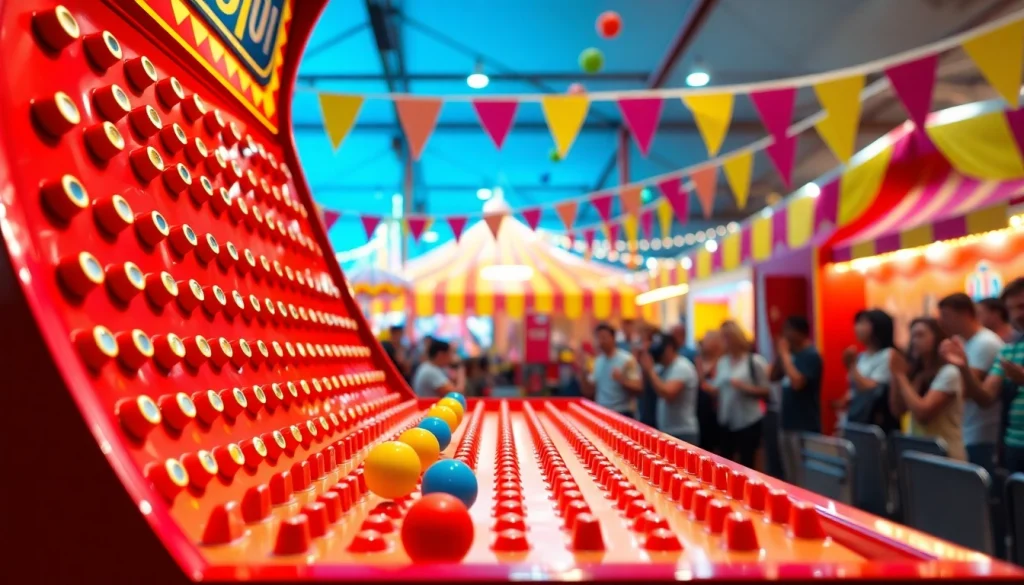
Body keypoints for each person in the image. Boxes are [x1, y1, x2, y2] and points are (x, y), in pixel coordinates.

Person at [942, 278, 1024, 471]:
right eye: (1011, 309)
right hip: (1013, 447)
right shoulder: (1009, 350)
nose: (1017, 315)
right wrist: (963, 368)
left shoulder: (990, 343)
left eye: (1022, 306)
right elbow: (985, 397)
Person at [937, 293, 1004, 471]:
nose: (941, 322)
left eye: (946, 315)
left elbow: (964, 391)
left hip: (982, 434)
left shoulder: (986, 342)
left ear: (965, 313)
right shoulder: (962, 342)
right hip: (967, 430)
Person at [889, 318, 966, 461]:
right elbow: (897, 410)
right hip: (921, 452)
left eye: (920, 335)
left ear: (937, 338)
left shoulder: (949, 372)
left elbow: (923, 414)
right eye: (912, 336)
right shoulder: (918, 374)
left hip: (946, 455)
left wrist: (900, 376)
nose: (914, 341)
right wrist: (895, 374)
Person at [706, 321, 770, 468]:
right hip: (726, 420)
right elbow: (717, 387)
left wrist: (743, 387)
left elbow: (767, 390)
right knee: (725, 463)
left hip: (748, 420)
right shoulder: (723, 362)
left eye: (726, 338)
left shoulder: (754, 361)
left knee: (747, 462)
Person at [771, 316, 823, 482]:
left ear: (800, 332)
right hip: (786, 423)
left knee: (804, 477)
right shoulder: (790, 355)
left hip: (804, 424)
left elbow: (797, 383)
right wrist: (781, 356)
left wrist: (785, 354)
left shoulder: (811, 355)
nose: (784, 334)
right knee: (789, 475)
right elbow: (772, 377)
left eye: (788, 330)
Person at [841, 309, 899, 433]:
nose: (857, 328)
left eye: (863, 323)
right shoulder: (861, 356)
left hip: (878, 423)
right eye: (857, 323)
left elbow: (870, 389)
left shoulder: (888, 355)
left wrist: (851, 366)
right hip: (858, 420)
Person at [639, 333, 700, 444]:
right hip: (667, 430)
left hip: (683, 431)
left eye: (660, 351)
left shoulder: (682, 366)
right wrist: (644, 355)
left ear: (669, 348)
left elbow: (668, 394)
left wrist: (650, 370)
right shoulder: (663, 367)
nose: (658, 355)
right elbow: (643, 387)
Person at [579, 323, 642, 418]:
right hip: (602, 411)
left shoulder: (627, 359)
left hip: (622, 412)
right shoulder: (597, 361)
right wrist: (583, 371)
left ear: (613, 338)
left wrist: (621, 380)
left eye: (604, 337)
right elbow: (589, 391)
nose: (600, 341)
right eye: (598, 338)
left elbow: (638, 388)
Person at [697, 330, 724, 453]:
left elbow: (717, 388)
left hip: (716, 411)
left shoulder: (722, 362)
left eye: (707, 340)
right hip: (699, 410)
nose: (703, 343)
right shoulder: (698, 360)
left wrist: (703, 382)